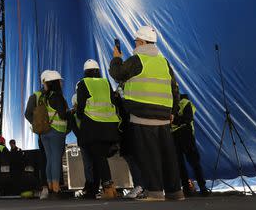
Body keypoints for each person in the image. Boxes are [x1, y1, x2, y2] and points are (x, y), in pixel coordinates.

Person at [109, 25, 182, 201]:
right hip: (164, 116)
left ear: (141, 41)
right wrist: (174, 111)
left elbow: (117, 74)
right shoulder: (163, 61)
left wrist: (116, 59)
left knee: (149, 156)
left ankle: (155, 192)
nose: (135, 44)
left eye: (136, 41)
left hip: (143, 116)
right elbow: (174, 88)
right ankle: (175, 192)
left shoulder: (137, 60)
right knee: (168, 156)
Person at [75, 59, 119, 199]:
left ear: (85, 72)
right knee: (100, 158)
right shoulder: (105, 82)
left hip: (93, 126)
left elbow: (81, 106)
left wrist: (81, 116)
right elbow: (113, 101)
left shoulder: (84, 83)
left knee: (98, 158)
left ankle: (108, 188)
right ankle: (101, 189)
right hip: (109, 126)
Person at [38, 70, 70, 199]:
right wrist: (70, 112)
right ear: (55, 83)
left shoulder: (43, 96)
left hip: (44, 132)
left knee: (50, 159)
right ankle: (56, 189)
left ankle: (51, 186)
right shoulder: (57, 96)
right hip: (56, 131)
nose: (61, 83)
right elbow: (63, 114)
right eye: (59, 81)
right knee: (56, 159)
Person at [172, 93, 209, 196]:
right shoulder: (169, 104)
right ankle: (186, 189)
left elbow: (188, 118)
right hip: (174, 136)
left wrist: (174, 120)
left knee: (194, 162)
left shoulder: (185, 103)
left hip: (186, 134)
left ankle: (202, 187)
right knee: (180, 165)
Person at [25, 71, 50, 199]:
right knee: (45, 160)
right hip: (44, 133)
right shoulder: (36, 96)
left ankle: (53, 186)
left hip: (56, 133)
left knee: (52, 160)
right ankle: (45, 186)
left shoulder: (56, 94)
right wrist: (37, 125)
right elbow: (28, 113)